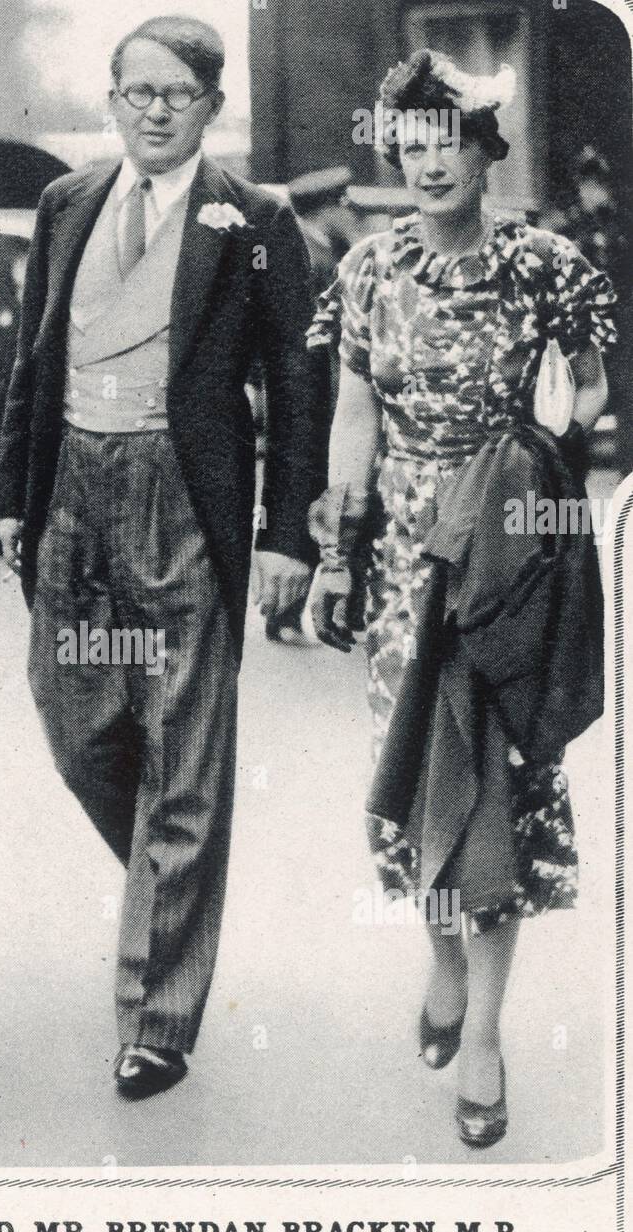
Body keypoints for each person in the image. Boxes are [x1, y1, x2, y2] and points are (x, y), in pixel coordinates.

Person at [0, 15, 328, 1098]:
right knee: (75, 720)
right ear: (112, 98)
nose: (150, 109)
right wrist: (13, 497)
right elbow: (31, 359)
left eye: (173, 94)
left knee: (186, 752)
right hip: (72, 493)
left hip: (186, 496)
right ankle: (168, 878)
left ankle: (159, 1017)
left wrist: (288, 536)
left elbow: (298, 382)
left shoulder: (258, 220)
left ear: (211, 107)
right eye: (133, 90)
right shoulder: (67, 202)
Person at [307, 52, 615, 1147]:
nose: (431, 160)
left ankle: (483, 1030)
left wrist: (545, 442)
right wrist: (338, 545)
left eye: (452, 140)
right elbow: (352, 409)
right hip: (402, 565)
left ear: (489, 150)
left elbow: (592, 388)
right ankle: (441, 964)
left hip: (510, 559)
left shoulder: (549, 267)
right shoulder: (368, 272)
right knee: (413, 784)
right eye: (412, 142)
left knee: (501, 790)